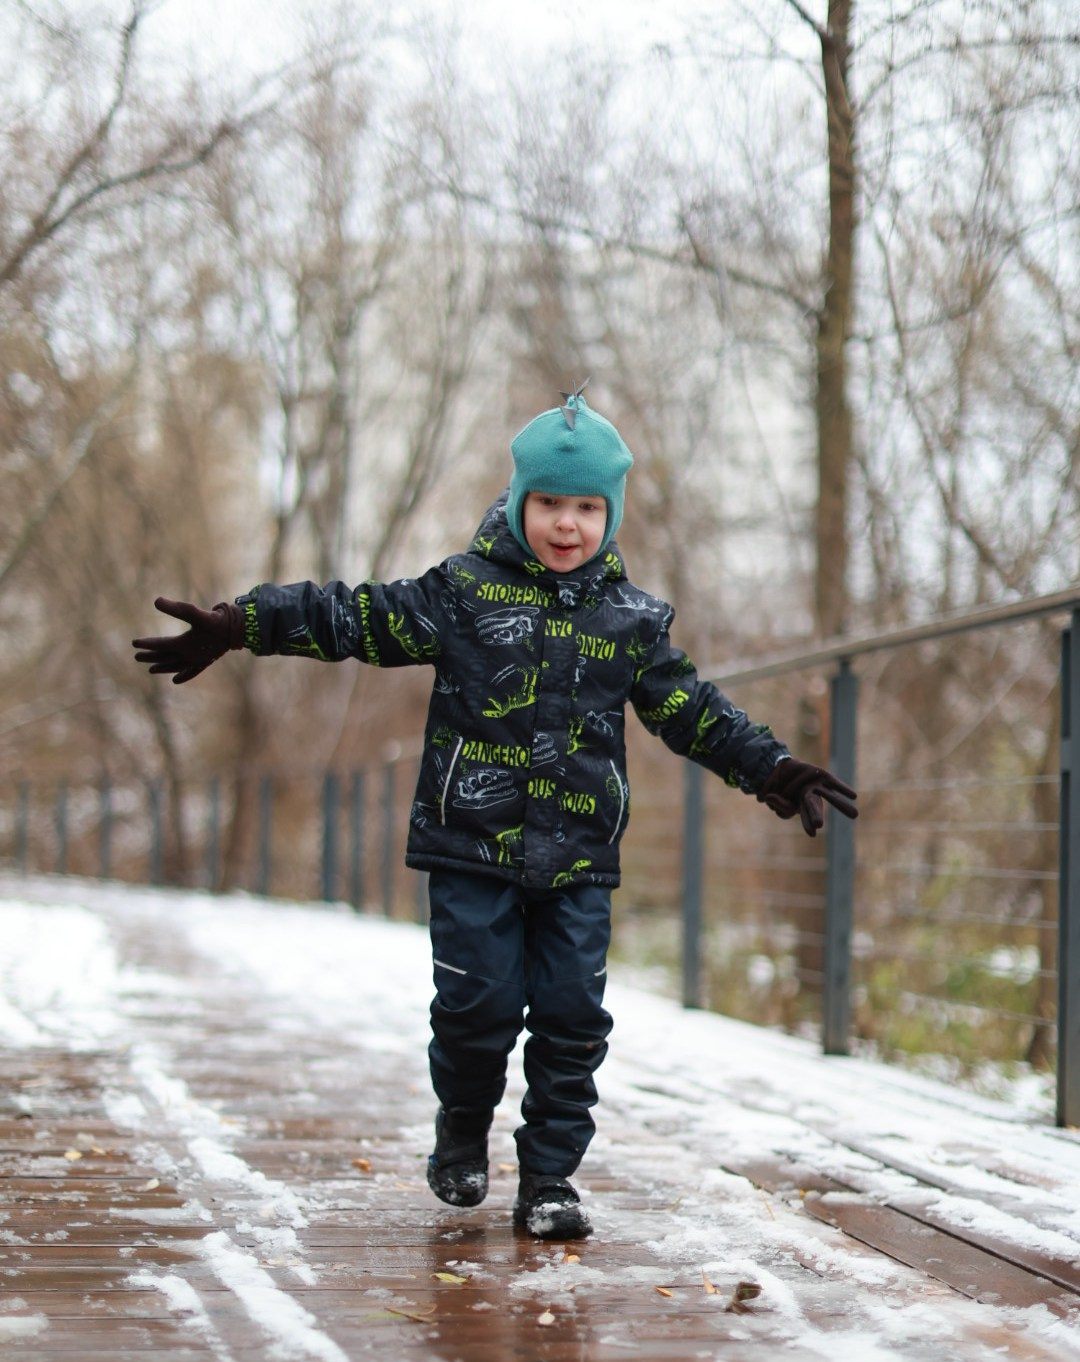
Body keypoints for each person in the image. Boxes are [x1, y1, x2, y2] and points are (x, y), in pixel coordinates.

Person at [133, 389, 857, 1241]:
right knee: (478, 1009)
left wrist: (771, 766)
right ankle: (463, 1127)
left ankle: (550, 1178)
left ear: (609, 515)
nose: (566, 524)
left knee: (571, 1017)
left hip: (578, 857)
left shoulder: (631, 620)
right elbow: (354, 615)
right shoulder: (462, 594)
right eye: (550, 502)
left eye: (587, 508)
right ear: (520, 502)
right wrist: (240, 623)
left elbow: (691, 709)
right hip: (471, 845)